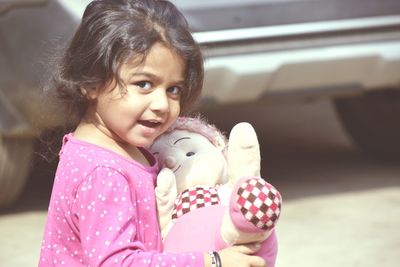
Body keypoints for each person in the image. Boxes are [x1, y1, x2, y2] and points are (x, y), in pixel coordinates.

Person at [39, 0, 266, 266]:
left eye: (173, 90)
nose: (161, 105)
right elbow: (116, 262)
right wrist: (211, 261)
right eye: (144, 84)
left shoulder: (124, 149)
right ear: (91, 82)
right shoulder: (103, 171)